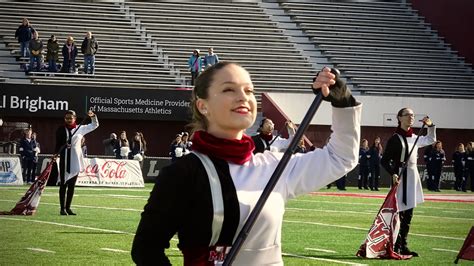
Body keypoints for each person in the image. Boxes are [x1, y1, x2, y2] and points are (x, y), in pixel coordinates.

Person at [131, 62, 361, 265]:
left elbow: (340, 158)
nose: (243, 97)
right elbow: (146, 249)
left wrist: (343, 104)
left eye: (249, 90)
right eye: (229, 89)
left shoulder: (273, 165)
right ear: (203, 105)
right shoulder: (183, 173)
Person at [381, 108, 436, 257]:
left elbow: (431, 139)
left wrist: (431, 126)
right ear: (399, 118)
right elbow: (384, 160)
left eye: (412, 115)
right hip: (400, 177)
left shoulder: (414, 137)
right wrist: (392, 173)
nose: (411, 117)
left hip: (412, 176)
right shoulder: (395, 138)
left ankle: (403, 245)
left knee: (409, 214)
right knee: (399, 214)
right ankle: (394, 245)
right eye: (407, 115)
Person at [55, 110, 98, 215]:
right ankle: (62, 208)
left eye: (71, 118)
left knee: (72, 185)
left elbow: (94, 125)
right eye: (67, 118)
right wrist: (57, 152)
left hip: (76, 159)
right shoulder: (61, 129)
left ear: (75, 118)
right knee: (63, 184)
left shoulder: (80, 128)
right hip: (65, 158)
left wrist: (93, 116)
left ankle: (68, 208)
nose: (69, 120)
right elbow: (58, 143)